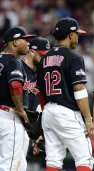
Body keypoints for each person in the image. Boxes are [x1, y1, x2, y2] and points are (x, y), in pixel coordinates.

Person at [36, 17, 94, 171]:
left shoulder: (44, 59)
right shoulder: (73, 57)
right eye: (76, 33)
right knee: (85, 159)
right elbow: (79, 89)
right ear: (69, 35)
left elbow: (40, 93)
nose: (78, 36)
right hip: (67, 112)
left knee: (53, 161)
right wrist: (88, 118)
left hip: (48, 111)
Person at [0, 26, 35, 171]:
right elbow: (15, 86)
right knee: (9, 166)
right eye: (25, 40)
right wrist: (21, 110)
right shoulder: (14, 62)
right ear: (14, 42)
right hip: (9, 117)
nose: (28, 43)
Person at [19, 37, 50, 171]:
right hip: (9, 117)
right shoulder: (17, 66)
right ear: (32, 52)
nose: (45, 59)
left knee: (19, 164)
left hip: (26, 125)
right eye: (42, 55)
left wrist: (37, 134)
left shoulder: (41, 73)